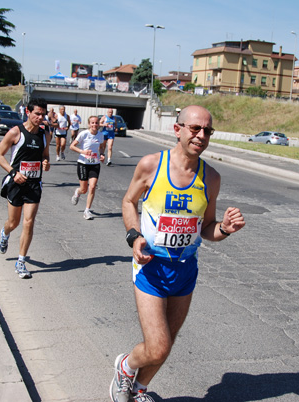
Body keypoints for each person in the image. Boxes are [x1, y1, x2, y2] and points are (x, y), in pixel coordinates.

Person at [110, 105, 246, 401]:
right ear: (178, 129)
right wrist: (134, 237)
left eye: (207, 131)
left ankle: (139, 389)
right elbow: (128, 202)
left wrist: (224, 227)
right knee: (157, 346)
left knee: (166, 344)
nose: (201, 136)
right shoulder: (151, 165)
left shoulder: (211, 178)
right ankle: (125, 366)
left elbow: (207, 227)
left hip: (185, 270)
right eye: (195, 129)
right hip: (151, 267)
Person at [0, 98, 51, 279]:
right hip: (16, 183)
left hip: (34, 184)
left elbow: (45, 156)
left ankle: (21, 262)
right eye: (37, 114)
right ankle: (5, 233)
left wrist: (46, 162)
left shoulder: (45, 134)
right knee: (14, 223)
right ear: (28, 112)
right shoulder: (15, 132)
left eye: (43, 114)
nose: (40, 117)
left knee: (29, 222)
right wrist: (13, 172)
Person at [69, 116, 105, 220]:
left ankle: (87, 210)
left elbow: (101, 147)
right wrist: (82, 152)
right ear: (89, 124)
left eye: (96, 123)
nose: (94, 125)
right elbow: (72, 146)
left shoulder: (100, 135)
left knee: (92, 186)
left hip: (95, 163)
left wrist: (102, 155)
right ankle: (77, 192)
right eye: (92, 123)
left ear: (99, 124)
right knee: (84, 189)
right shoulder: (84, 134)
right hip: (83, 163)